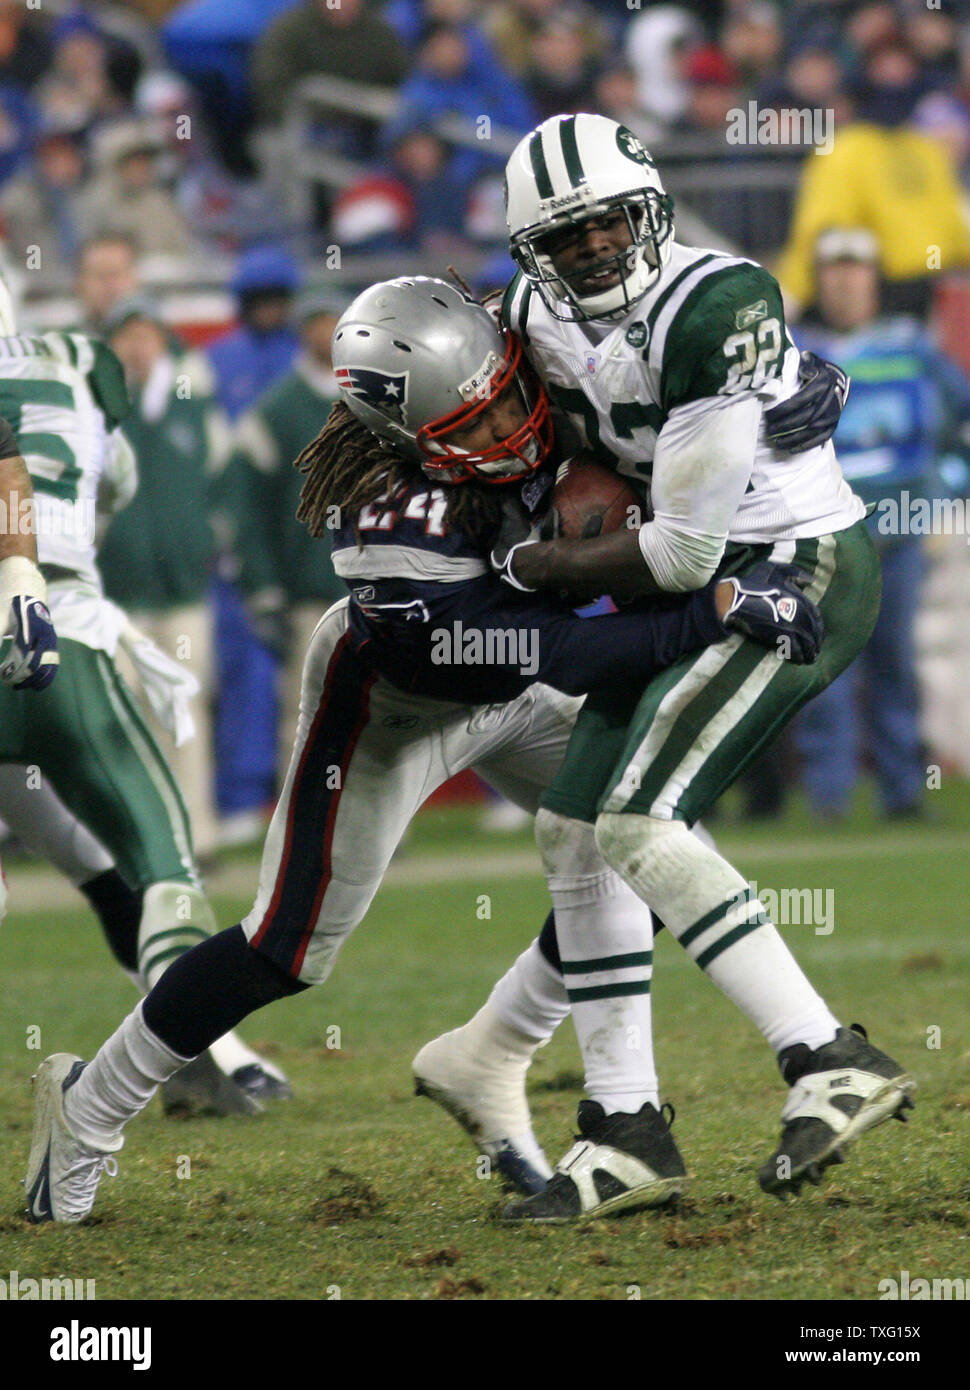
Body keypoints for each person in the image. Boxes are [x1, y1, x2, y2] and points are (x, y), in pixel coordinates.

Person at [21, 274, 831, 1223]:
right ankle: (89, 1107)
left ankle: (493, 1052)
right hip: (396, 707)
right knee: (286, 949)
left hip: (517, 680)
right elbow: (556, 649)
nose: (510, 435)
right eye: (474, 430)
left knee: (644, 839)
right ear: (407, 438)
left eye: (507, 403)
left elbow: (663, 353)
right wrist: (714, 608)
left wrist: (785, 385)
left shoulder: (533, 347)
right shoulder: (389, 523)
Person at [450, 113, 915, 1221]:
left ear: (649, 207)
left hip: (786, 570)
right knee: (573, 826)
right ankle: (623, 1128)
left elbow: (684, 547)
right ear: (533, 253)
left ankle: (824, 1056)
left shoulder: (715, 301)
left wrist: (529, 560)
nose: (599, 246)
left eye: (611, 219)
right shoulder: (520, 315)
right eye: (568, 236)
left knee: (641, 824)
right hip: (683, 582)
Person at [0, 286, 286, 1115]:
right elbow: (112, 484)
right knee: (160, 868)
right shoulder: (80, 363)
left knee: (98, 875)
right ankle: (188, 1062)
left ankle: (221, 1056)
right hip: (63, 640)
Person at [792, 227, 970, 820]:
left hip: (901, 535)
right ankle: (829, 799)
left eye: (856, 269)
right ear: (821, 278)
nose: (845, 280)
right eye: (835, 269)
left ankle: (903, 792)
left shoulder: (914, 350)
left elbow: (959, 429)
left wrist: (947, 498)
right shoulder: (798, 354)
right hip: (824, 539)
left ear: (874, 279)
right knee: (825, 668)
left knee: (896, 662)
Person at [98, 296, 227, 861]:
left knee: (183, 706)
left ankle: (196, 836)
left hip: (181, 588)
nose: (138, 346)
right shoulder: (97, 409)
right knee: (122, 711)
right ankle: (137, 839)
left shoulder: (190, 404)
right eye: (127, 336)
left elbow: (224, 479)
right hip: (116, 592)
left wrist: (208, 543)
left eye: (147, 335)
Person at [225, 289, 347, 778]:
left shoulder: (376, 394)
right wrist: (264, 586)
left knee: (381, 710)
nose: (325, 334)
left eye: (333, 322)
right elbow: (245, 510)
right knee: (308, 712)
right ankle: (305, 817)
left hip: (381, 586)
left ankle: (379, 824)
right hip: (309, 589)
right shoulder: (277, 409)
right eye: (316, 323)